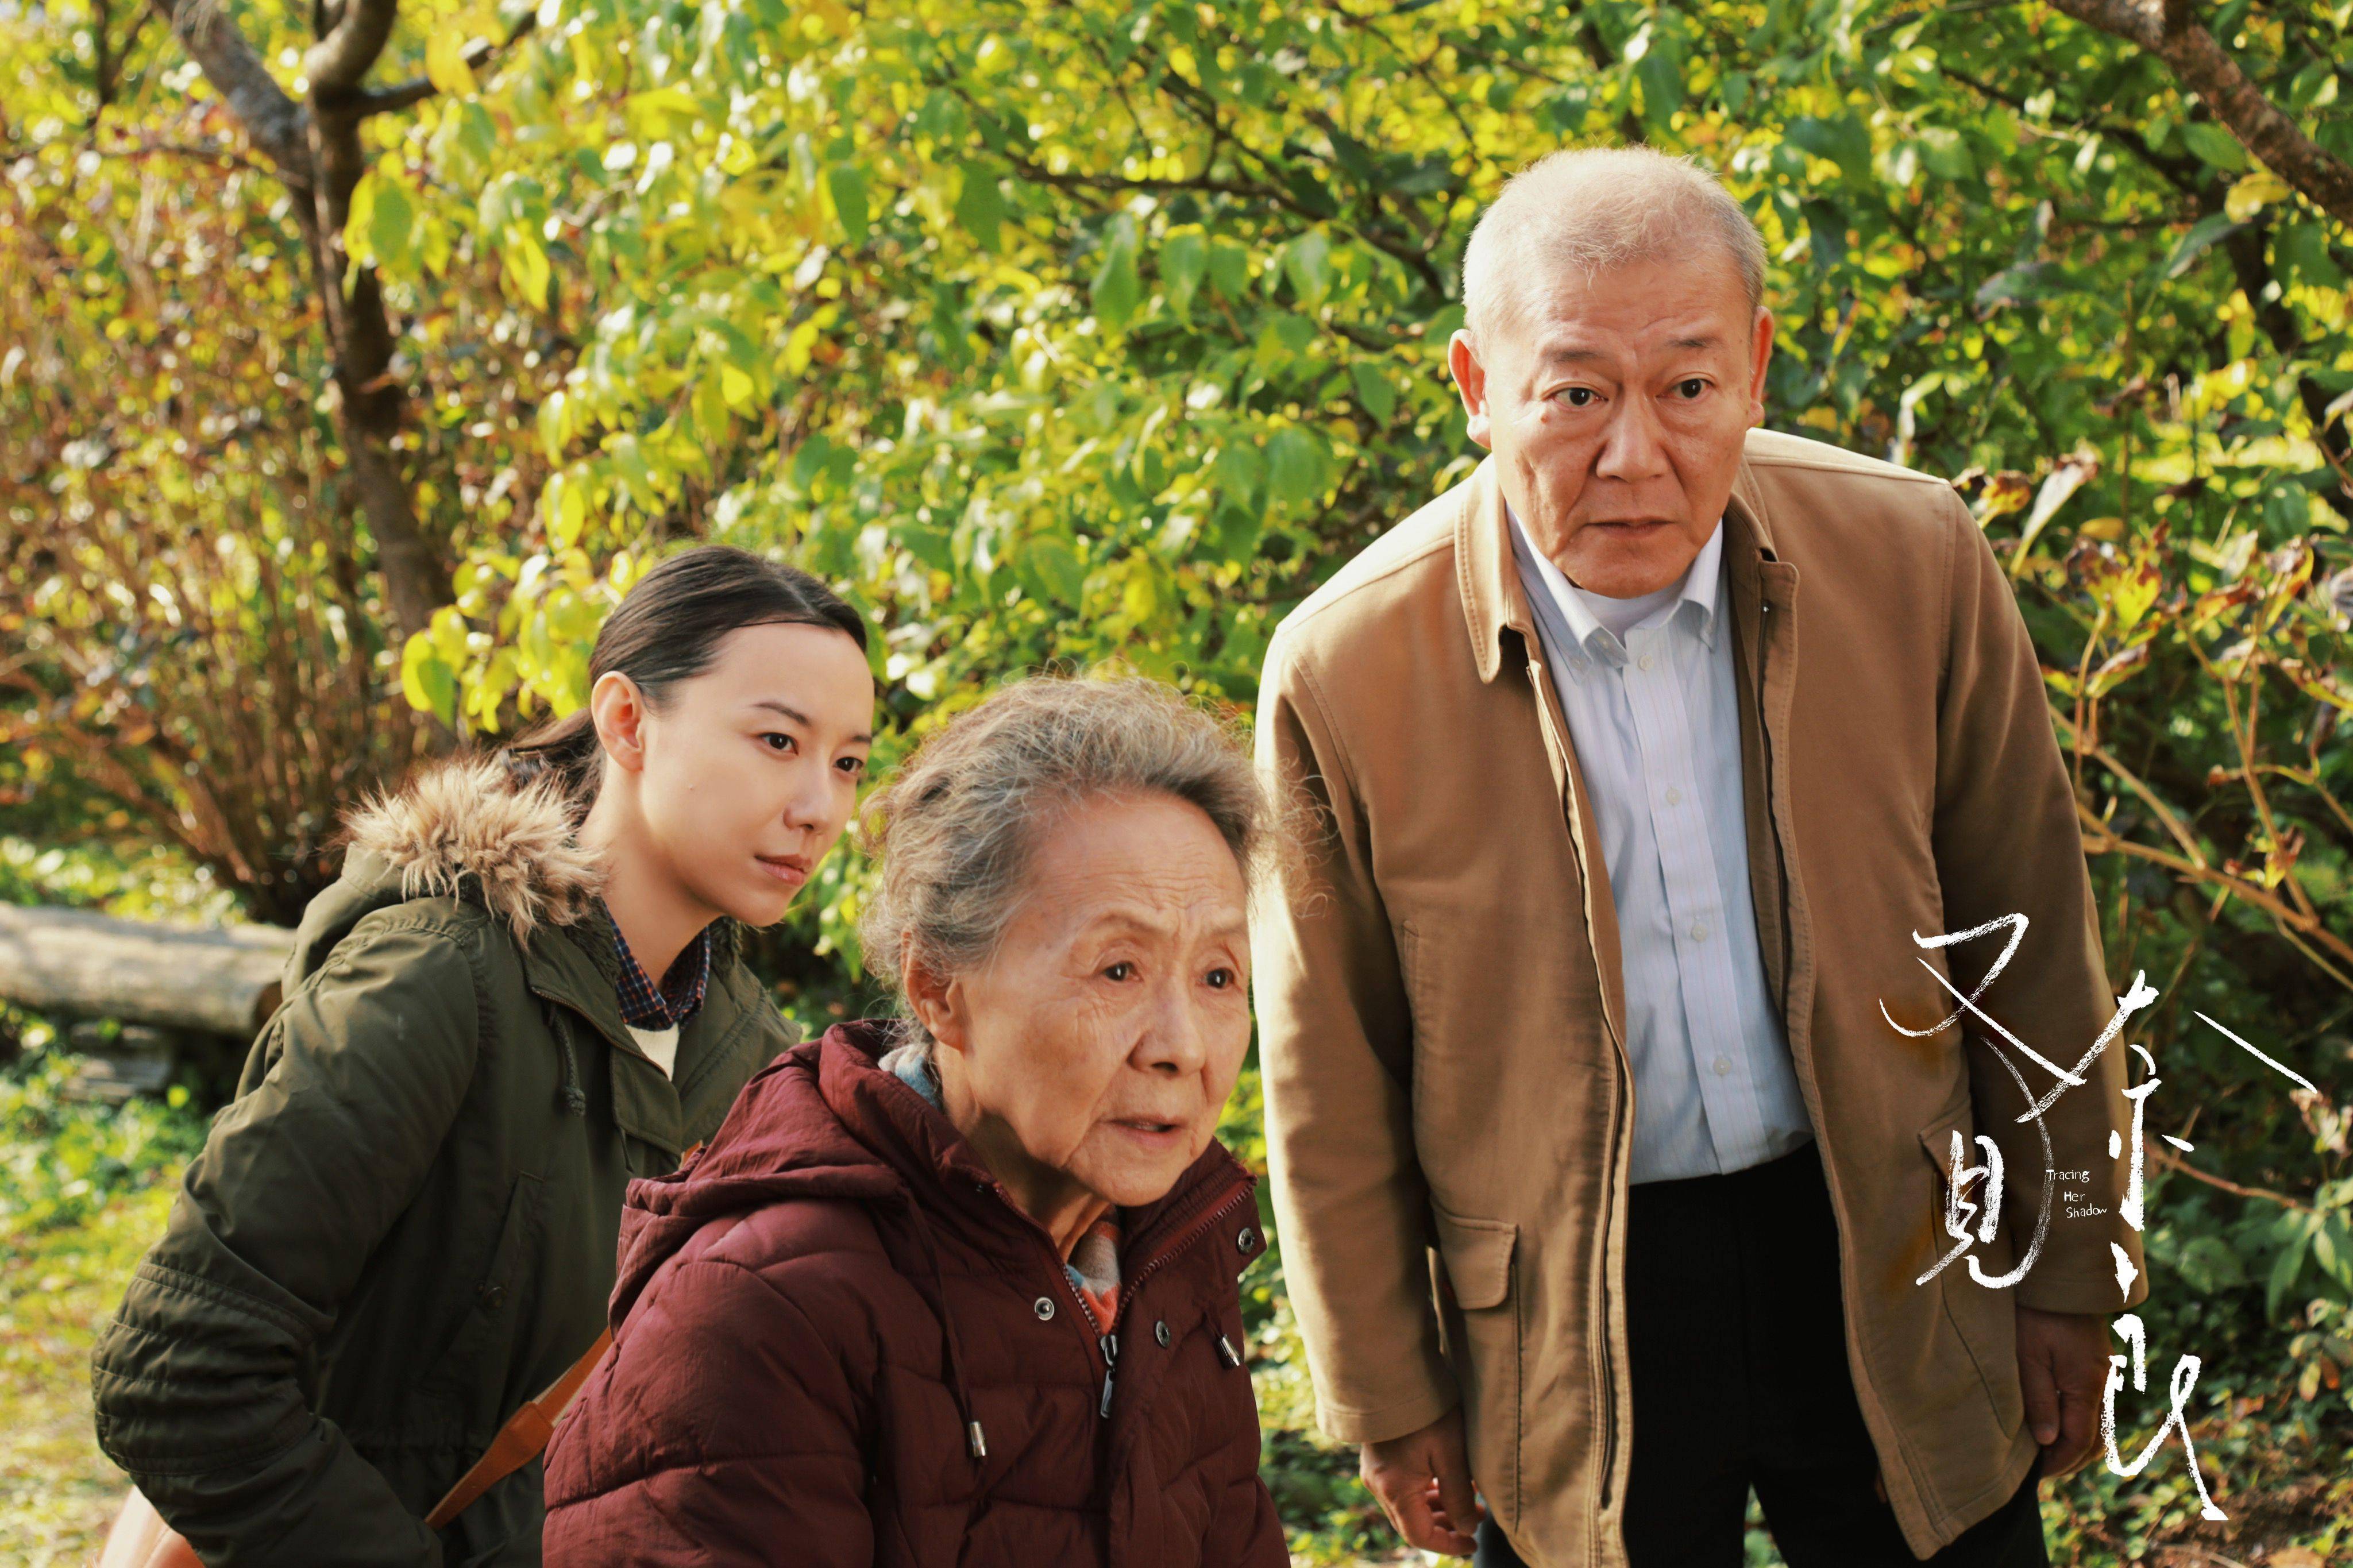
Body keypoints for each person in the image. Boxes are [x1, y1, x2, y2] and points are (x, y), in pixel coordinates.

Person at [1250, 146, 2144, 1568]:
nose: (1633, 454)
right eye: (1573, 393)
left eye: (1685, 386)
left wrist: (2069, 1266)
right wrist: (1384, 1393)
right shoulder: (1345, 666)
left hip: (1885, 1238)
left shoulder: (1908, 559)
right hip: (1563, 1296)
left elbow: (2024, 935)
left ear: (1755, 368)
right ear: (1477, 392)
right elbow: (1326, 1073)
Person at [91, 545, 875, 1566]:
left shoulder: (752, 1063)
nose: (819, 804)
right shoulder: (434, 979)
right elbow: (177, 1372)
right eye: (778, 739)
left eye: (849, 762)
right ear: (627, 721)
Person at [542, 675, 1289, 1567]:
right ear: (939, 988)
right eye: (1118, 969)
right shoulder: (760, 1310)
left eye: (1218, 977)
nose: (1181, 1047)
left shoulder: (1170, 1264)